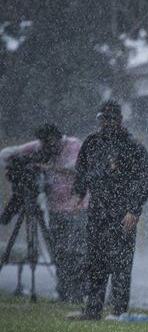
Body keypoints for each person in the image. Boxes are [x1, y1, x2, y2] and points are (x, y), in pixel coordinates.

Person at [68, 100, 148, 320]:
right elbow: (82, 170)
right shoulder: (92, 143)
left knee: (121, 263)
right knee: (95, 261)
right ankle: (93, 309)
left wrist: (134, 210)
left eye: (110, 119)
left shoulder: (132, 147)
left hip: (122, 212)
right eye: (102, 119)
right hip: (97, 210)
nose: (106, 123)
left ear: (119, 121)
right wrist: (78, 192)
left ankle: (119, 311)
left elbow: (142, 181)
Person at [0, 124, 88, 301]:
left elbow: (75, 168)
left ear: (58, 138)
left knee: (77, 251)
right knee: (59, 251)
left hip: (76, 207)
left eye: (51, 144)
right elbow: (5, 154)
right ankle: (64, 290)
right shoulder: (40, 146)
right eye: (45, 144)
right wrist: (24, 161)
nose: (49, 148)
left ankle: (79, 291)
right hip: (55, 208)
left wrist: (46, 167)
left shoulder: (73, 145)